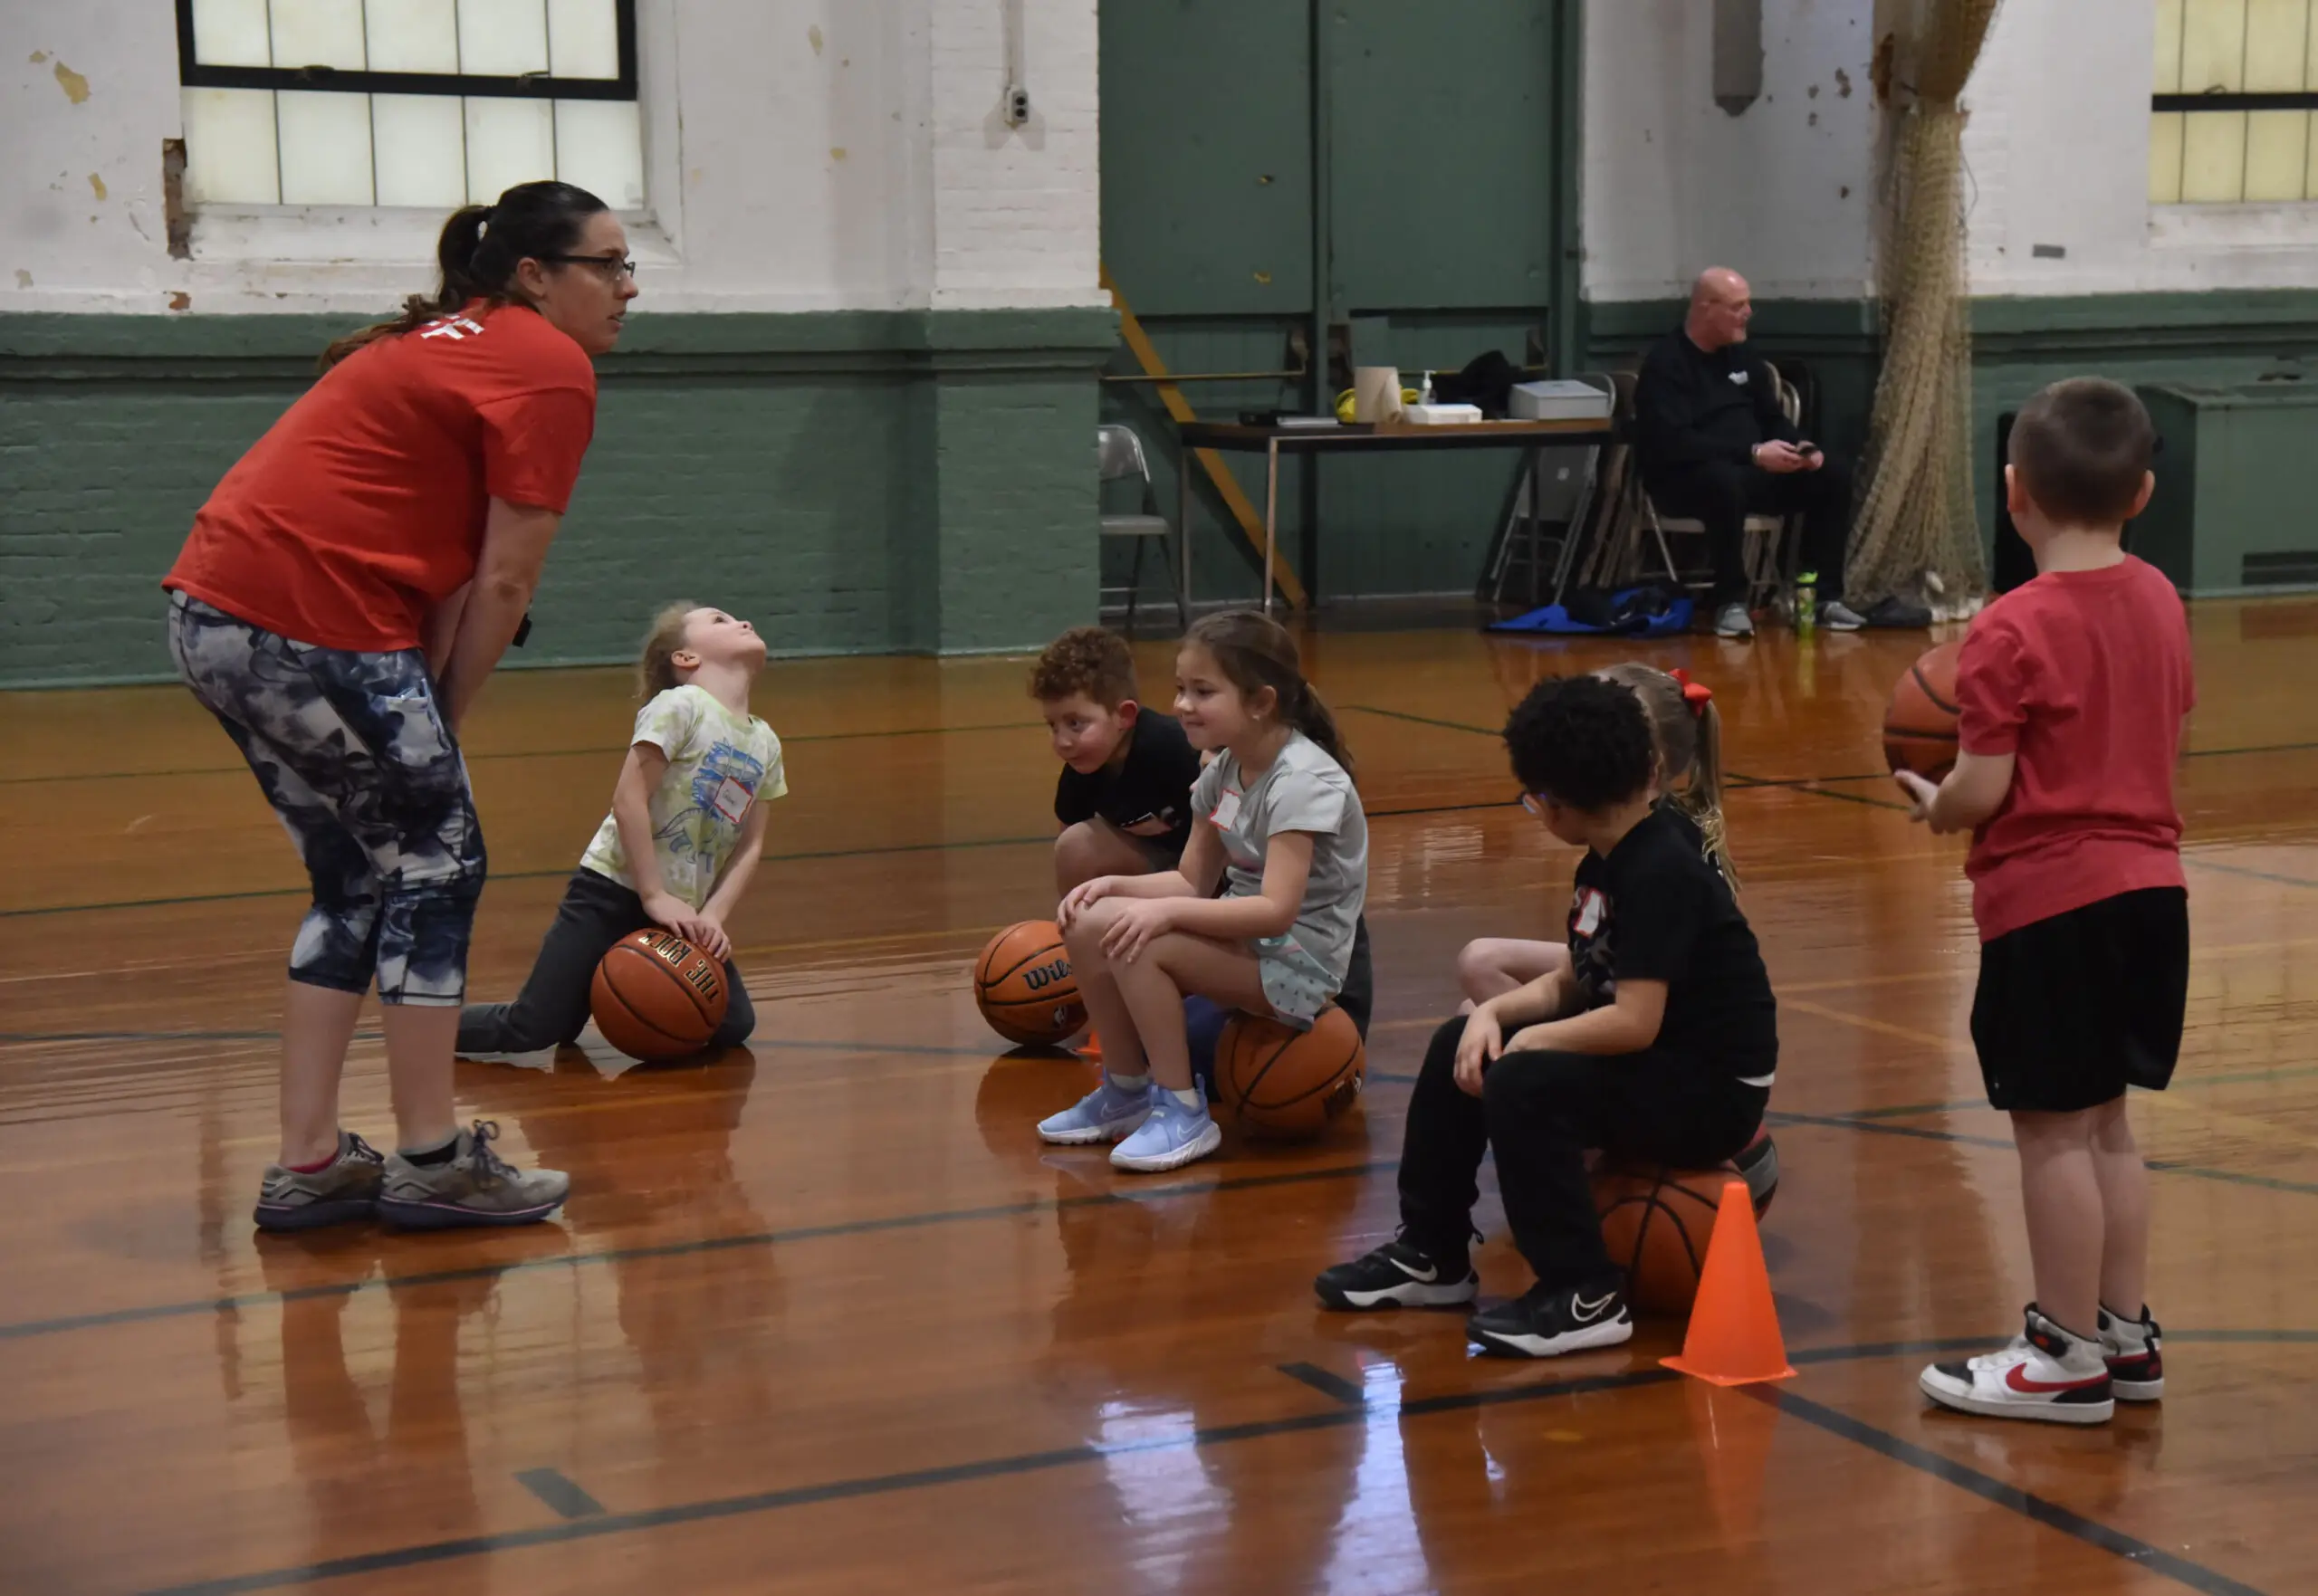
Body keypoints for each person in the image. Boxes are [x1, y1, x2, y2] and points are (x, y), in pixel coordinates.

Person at [162, 179, 638, 1231]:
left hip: (215, 612)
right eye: (606, 265)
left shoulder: (447, 341)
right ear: (534, 275)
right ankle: (429, 1157)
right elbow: (510, 579)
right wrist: (443, 720)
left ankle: (312, 1159)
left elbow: (463, 574)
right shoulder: (546, 362)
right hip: (306, 616)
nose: (628, 286)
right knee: (438, 860)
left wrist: (426, 713)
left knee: (355, 878)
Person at [1316, 674, 1777, 1358]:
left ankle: (1584, 1290)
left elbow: (1634, 1021)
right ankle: (1433, 1250)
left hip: (1710, 1092)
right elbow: (1577, 973)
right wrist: (1496, 1013)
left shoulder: (1662, 871)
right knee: (1458, 1043)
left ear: (1555, 807)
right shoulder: (1609, 853)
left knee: (1522, 1082)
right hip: (1662, 1061)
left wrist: (1525, 1041)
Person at [1901, 378, 2191, 1426]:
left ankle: (2062, 1355)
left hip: (2051, 904)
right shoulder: (2162, 598)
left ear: (2012, 491)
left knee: (2050, 1137)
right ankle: (2124, 1335)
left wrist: (1939, 810)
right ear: (2144, 491)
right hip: (2155, 894)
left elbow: (1983, 784)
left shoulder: (2007, 629)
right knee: (2109, 1125)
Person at [1036, 611, 1368, 1173]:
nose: (1183, 704)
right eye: (1181, 689)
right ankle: (1126, 1088)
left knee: (1142, 940)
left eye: (1202, 691)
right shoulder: (1223, 773)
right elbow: (1190, 879)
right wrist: (1114, 885)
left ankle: (1183, 1109)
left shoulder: (1303, 781)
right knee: (1089, 920)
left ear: (1260, 701)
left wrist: (1161, 914)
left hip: (1300, 962)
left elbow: (1276, 909)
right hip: (1255, 944)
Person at [457, 603, 781, 1058]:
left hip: (679, 913)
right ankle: (424, 1029)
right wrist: (651, 894)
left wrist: (712, 916)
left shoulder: (764, 741)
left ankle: (602, 983)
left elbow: (752, 843)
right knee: (535, 1027)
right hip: (612, 890)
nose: (742, 621)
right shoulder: (680, 706)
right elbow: (628, 799)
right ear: (685, 658)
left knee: (731, 1023)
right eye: (719, 621)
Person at [1636, 267, 1905, 640]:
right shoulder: (1666, 364)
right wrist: (1752, 452)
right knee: (1722, 481)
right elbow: (1674, 441)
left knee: (1832, 475)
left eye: (1749, 304)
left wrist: (1802, 447)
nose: (1747, 314)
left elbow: (1771, 417)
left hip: (1753, 468)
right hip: (1687, 478)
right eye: (1737, 306)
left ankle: (1822, 596)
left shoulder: (1742, 355)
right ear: (1705, 308)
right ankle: (1731, 601)